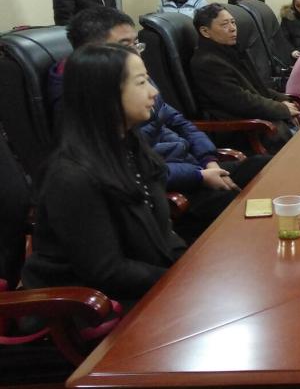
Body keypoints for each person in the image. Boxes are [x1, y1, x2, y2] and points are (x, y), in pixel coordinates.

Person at [49, 8, 271, 244]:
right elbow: (134, 169)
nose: (136, 52)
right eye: (125, 45)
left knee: (263, 167)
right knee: (241, 211)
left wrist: (208, 159)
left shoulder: (131, 72)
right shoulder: (84, 99)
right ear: (93, 53)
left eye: (136, 43)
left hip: (190, 166)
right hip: (171, 187)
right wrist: (199, 176)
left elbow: (178, 120)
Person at [21, 44, 187, 304]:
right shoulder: (71, 176)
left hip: (151, 285)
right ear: (105, 94)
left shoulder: (129, 144)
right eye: (141, 82)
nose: (154, 91)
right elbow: (106, 271)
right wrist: (180, 280)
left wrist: (190, 265)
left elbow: (162, 231)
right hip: (92, 309)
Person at [190, 4, 300, 153]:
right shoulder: (207, 62)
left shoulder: (230, 51)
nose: (232, 28)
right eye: (224, 24)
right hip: (241, 130)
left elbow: (257, 87)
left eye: (233, 22)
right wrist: (282, 109)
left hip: (257, 119)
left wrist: (283, 100)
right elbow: (240, 101)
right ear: (205, 31)